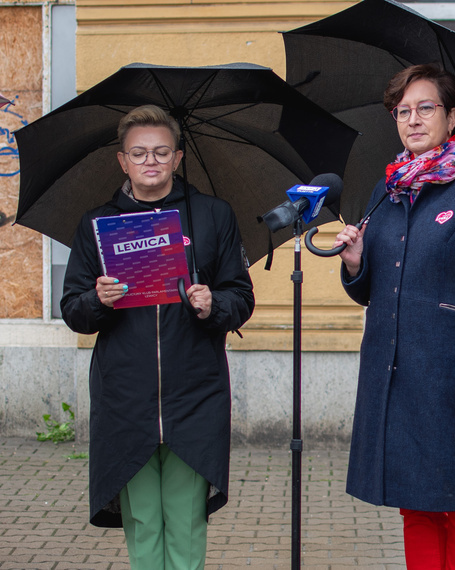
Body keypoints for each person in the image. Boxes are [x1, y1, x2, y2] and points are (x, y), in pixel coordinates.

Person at [333, 63, 455, 569]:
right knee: (415, 508)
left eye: (426, 108)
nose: (413, 120)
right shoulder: (388, 189)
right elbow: (380, 290)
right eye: (403, 111)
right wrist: (355, 265)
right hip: (398, 380)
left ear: (452, 115)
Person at [61, 105, 255, 569]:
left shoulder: (211, 215)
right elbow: (73, 310)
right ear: (122, 161)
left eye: (161, 152)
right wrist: (97, 300)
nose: (151, 161)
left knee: (186, 520)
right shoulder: (97, 224)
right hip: (126, 397)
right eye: (139, 153)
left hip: (194, 394)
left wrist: (214, 305)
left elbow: (240, 297)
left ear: (178, 157)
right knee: (144, 521)